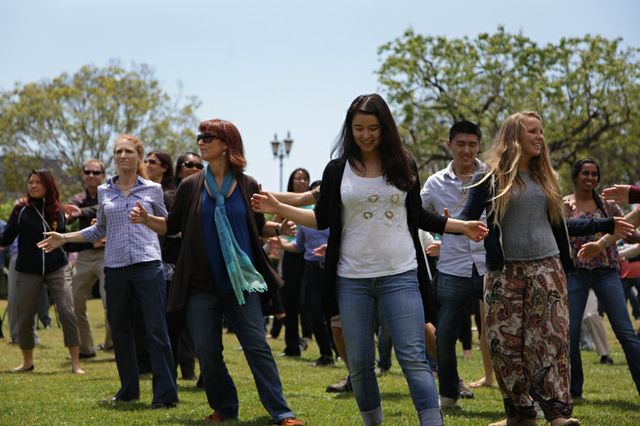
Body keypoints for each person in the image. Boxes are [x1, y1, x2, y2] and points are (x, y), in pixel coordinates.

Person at [252, 93, 489, 426]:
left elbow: (419, 215)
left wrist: (460, 226)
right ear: (350, 128)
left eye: (373, 128)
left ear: (385, 128)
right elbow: (321, 218)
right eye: (359, 128)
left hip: (401, 274)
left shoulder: (404, 164)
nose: (366, 135)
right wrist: (279, 208)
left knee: (413, 358)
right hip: (352, 280)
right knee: (361, 363)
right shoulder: (337, 170)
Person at [457, 111, 634, 426]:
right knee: (504, 345)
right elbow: (468, 214)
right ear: (515, 136)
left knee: (551, 342)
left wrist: (607, 222)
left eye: (541, 132)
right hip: (504, 273)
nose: (540, 137)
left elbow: (562, 225)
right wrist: (455, 226)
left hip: (547, 267)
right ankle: (519, 414)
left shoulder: (545, 177)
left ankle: (557, 415)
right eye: (533, 132)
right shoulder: (489, 177)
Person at [128, 119, 304, 425]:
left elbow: (258, 226)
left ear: (226, 143)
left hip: (242, 284)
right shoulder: (190, 186)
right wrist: (146, 220)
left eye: (208, 136)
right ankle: (225, 407)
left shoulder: (247, 185)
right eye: (200, 136)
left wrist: (281, 226)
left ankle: (281, 412)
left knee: (257, 347)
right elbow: (172, 226)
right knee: (208, 353)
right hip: (200, 285)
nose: (201, 141)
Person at [38, 134, 178, 409]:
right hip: (114, 267)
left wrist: (149, 220)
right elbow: (99, 228)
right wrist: (65, 239)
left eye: (128, 151)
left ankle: (165, 394)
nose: (122, 156)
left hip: (147, 265)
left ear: (139, 155)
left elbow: (167, 226)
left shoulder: (152, 189)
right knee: (120, 330)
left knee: (156, 330)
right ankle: (128, 389)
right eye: (118, 152)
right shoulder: (104, 191)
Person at [420, 120, 493, 407]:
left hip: (491, 264)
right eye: (460, 144)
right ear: (449, 144)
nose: (467, 150)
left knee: (505, 333)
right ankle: (449, 394)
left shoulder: (492, 177)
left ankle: (519, 396)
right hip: (453, 266)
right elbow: (417, 215)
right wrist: (435, 235)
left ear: (479, 146)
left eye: (472, 145)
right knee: (445, 334)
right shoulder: (435, 183)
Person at [562, 158, 640, 400]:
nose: (590, 178)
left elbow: (625, 228)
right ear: (575, 177)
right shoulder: (564, 205)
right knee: (571, 333)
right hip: (575, 273)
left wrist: (634, 235)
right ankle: (575, 391)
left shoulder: (607, 206)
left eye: (594, 174)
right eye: (585, 173)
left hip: (606, 271)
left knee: (625, 332)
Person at [0, 169, 83, 374]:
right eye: (31, 182)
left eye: (38, 182)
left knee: (67, 310)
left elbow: (66, 243)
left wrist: (90, 241)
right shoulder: (21, 210)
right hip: (28, 270)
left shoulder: (58, 210)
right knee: (25, 315)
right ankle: (27, 362)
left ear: (48, 185)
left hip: (58, 267)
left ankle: (76, 364)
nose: (33, 185)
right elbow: (6, 238)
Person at [269, 180, 334, 366]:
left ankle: (339, 353)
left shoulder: (335, 217)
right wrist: (282, 245)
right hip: (311, 270)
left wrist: (330, 247)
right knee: (314, 313)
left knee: (334, 315)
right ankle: (326, 355)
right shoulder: (305, 220)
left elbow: (345, 239)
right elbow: (298, 246)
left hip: (332, 270)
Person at [65, 159, 111, 357]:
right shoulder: (75, 201)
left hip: (108, 255)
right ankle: (86, 348)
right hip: (84, 256)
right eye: (88, 172)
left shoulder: (110, 195)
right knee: (75, 303)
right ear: (83, 175)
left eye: (96, 172)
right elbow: (66, 236)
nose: (91, 175)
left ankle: (111, 344)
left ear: (103, 175)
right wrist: (90, 242)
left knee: (111, 302)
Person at [278, 168, 314, 358]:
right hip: (291, 256)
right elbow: (275, 226)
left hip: (311, 256)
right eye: (297, 178)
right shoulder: (285, 203)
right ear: (291, 181)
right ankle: (291, 346)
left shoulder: (313, 203)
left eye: (304, 178)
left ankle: (309, 337)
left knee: (306, 301)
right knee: (290, 302)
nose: (300, 181)